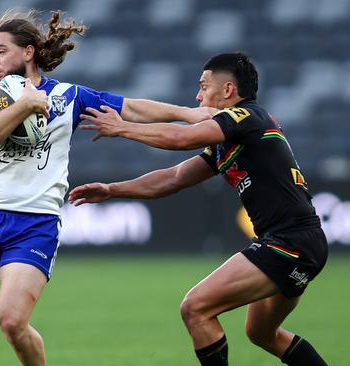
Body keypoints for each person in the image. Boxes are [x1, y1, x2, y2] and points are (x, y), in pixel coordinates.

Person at [0, 9, 213, 366]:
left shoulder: (69, 97)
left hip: (34, 223)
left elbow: (132, 108)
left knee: (12, 321)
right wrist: (25, 105)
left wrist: (190, 114)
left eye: (1, 50)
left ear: (28, 53)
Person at [69, 52, 328, 366]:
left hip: (289, 244)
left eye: (204, 86)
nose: (198, 95)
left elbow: (181, 137)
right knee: (262, 333)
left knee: (196, 307)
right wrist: (112, 190)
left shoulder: (246, 117)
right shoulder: (229, 140)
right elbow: (174, 178)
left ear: (228, 90)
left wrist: (122, 128)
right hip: (296, 242)